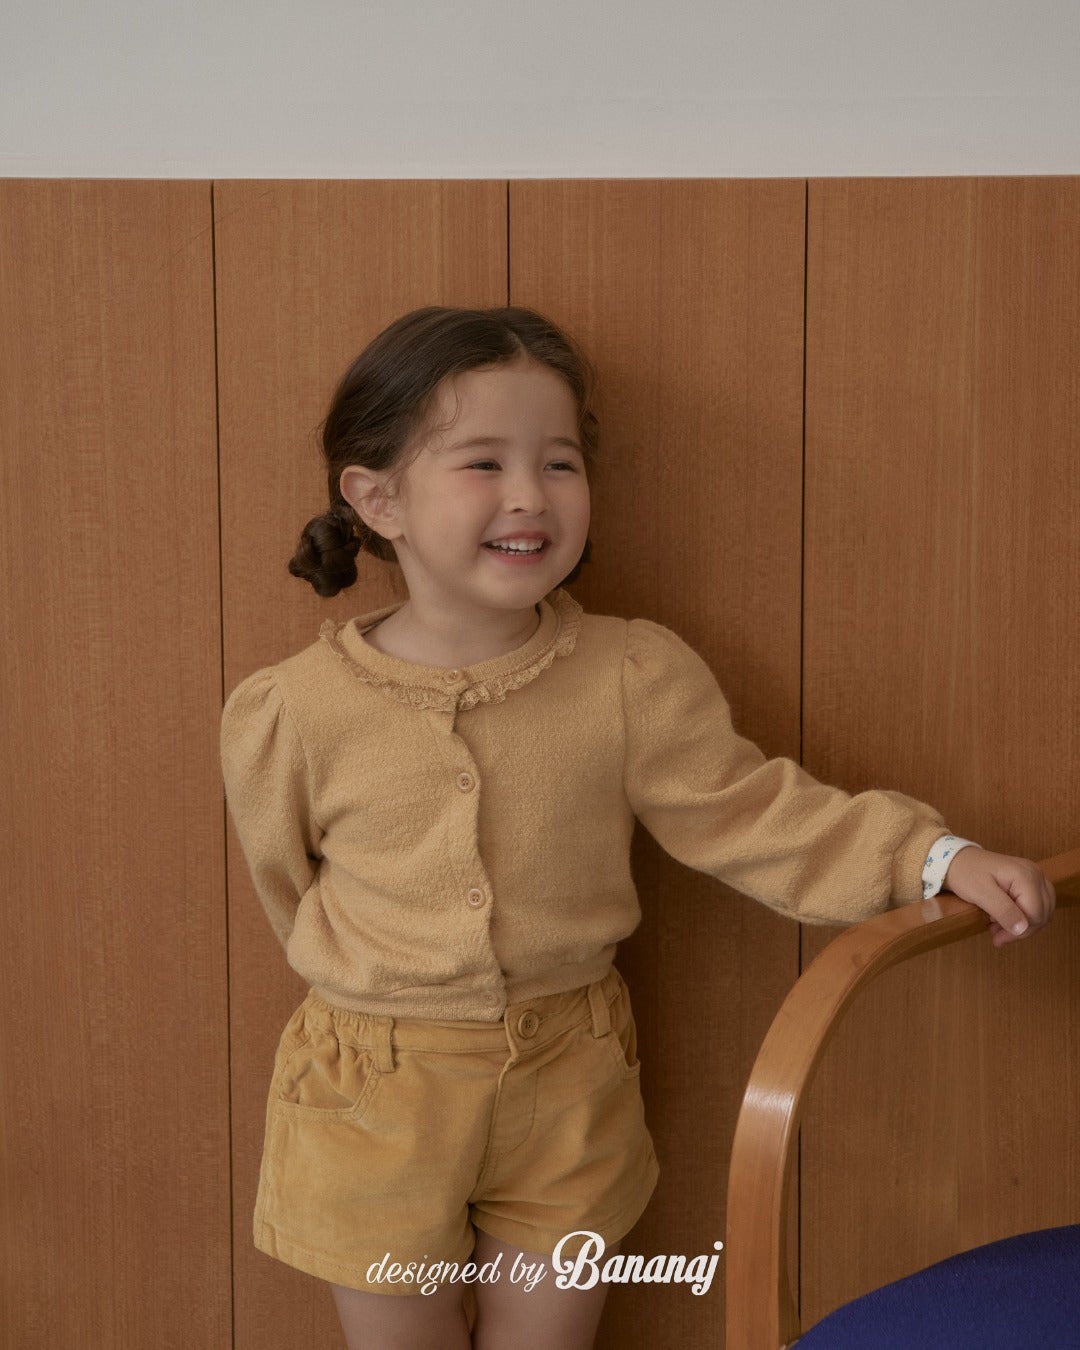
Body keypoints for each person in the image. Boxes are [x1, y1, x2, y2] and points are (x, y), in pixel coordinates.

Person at [220, 306, 1056, 1350]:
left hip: (569, 1084)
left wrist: (934, 857)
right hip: (372, 1094)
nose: (531, 495)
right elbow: (287, 887)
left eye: (559, 463)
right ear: (377, 498)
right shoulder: (292, 710)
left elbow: (753, 813)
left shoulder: (630, 675)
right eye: (483, 462)